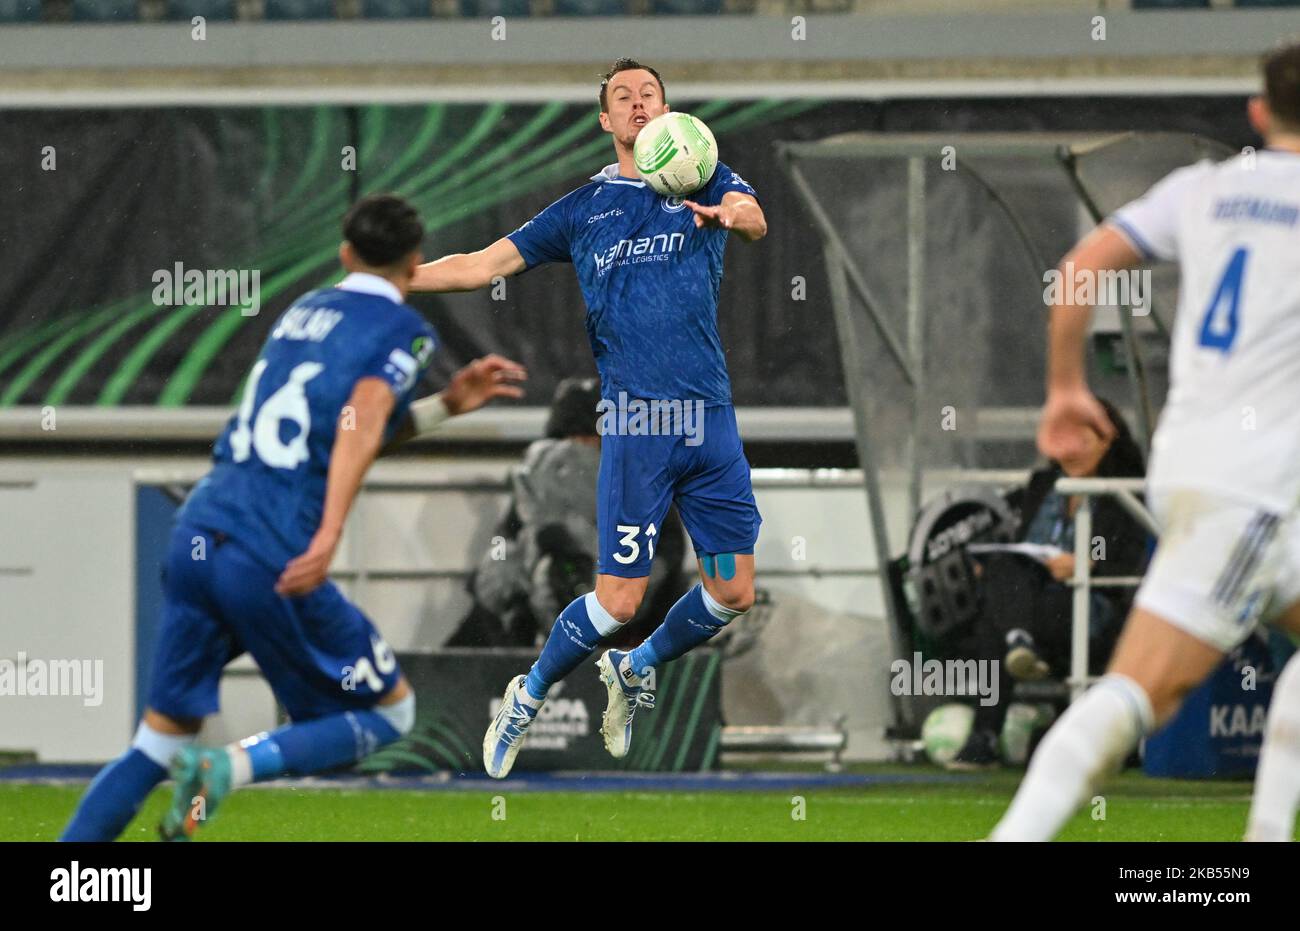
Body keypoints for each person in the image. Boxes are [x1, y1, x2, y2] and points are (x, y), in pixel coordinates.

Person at [59, 194, 526, 841]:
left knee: (156, 741)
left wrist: (445, 404)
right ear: (416, 261)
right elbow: (359, 421)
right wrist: (331, 529)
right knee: (391, 712)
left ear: (344, 253)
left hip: (200, 526)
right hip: (269, 550)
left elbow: (337, 427)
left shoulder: (305, 309)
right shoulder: (403, 329)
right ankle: (228, 765)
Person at [409, 58, 768, 778]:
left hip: (710, 421)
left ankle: (634, 667)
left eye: (650, 95)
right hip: (634, 427)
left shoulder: (705, 171)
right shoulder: (583, 211)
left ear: (667, 108)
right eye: (624, 98)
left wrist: (734, 214)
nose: (639, 104)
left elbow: (755, 220)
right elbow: (482, 266)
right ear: (606, 120)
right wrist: (396, 275)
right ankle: (528, 693)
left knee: (733, 590)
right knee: (615, 601)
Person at [990, 42, 1300, 841]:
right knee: (1141, 694)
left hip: (1192, 468)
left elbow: (1080, 267)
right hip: (1258, 486)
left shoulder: (1203, 190)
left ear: (1259, 113)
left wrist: (1065, 388)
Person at [946, 398, 1148, 767]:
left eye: (1083, 440)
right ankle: (1019, 643)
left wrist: (1085, 565)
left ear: (1108, 440)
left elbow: (1127, 565)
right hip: (1034, 600)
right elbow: (1024, 545)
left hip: (1088, 605)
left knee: (997, 621)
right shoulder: (1043, 485)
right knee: (1002, 566)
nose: (1071, 451)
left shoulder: (1124, 493)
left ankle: (984, 735)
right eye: (1065, 441)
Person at [448, 376, 688, 649]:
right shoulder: (537, 482)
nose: (576, 450)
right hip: (543, 603)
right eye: (568, 437)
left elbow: (669, 551)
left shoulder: (639, 480)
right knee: (491, 600)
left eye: (587, 438)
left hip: (620, 610)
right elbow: (504, 538)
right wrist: (500, 562)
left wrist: (631, 581)